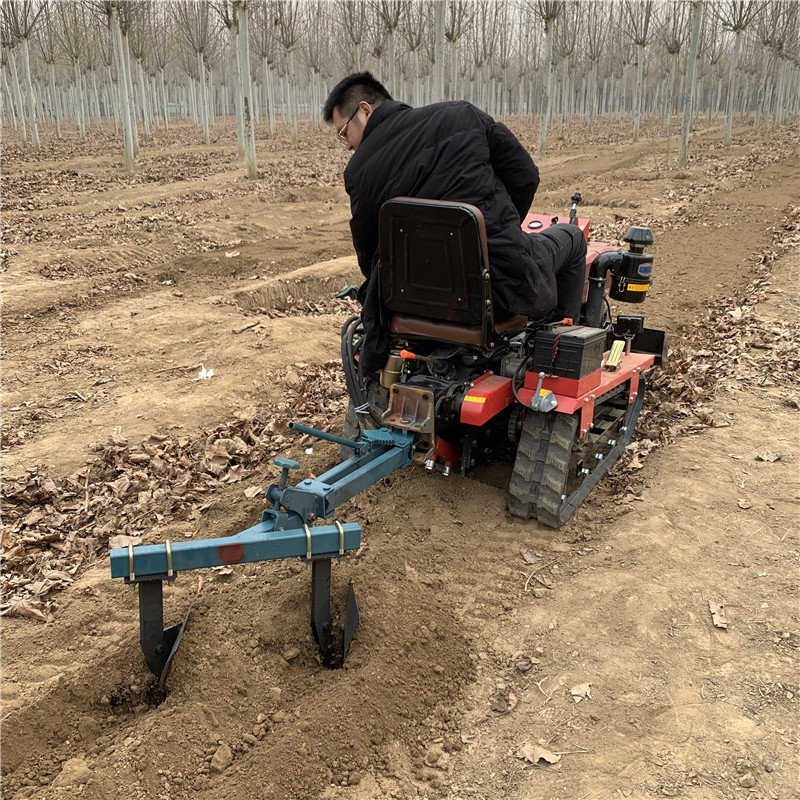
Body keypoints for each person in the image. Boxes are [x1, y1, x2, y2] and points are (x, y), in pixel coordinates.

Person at [323, 72, 587, 373]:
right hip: (500, 289)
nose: (346, 146)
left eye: (344, 133)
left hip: (413, 303)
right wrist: (497, 231)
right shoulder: (462, 115)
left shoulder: (359, 171)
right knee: (573, 238)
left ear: (365, 110)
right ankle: (556, 362)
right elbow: (526, 175)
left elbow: (369, 259)